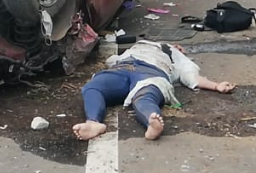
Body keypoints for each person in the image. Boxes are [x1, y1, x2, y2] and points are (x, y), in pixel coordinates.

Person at [72, 40, 236, 141]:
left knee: (145, 96)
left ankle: (152, 124)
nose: (179, 48)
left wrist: (216, 85)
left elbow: (191, 76)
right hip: (123, 67)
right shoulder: (141, 47)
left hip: (152, 71)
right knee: (93, 87)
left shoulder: (175, 55)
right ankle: (93, 122)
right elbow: (111, 61)